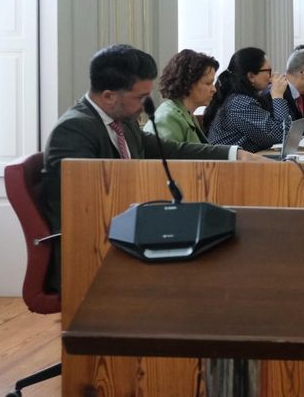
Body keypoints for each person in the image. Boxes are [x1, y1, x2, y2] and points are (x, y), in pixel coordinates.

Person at [43, 45, 262, 259]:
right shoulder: (72, 130)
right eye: (140, 98)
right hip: (91, 247)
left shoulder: (123, 119)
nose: (145, 105)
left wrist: (235, 154)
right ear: (109, 96)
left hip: (127, 227)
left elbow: (172, 150)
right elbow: (89, 204)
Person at [204, 47, 292, 152]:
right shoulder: (239, 104)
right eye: (268, 71)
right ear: (251, 76)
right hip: (229, 166)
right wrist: (278, 96)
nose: (271, 76)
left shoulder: (243, 99)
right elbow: (281, 137)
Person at [145, 49, 219, 144]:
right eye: (208, 83)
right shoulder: (168, 118)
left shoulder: (186, 114)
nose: (214, 89)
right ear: (187, 83)